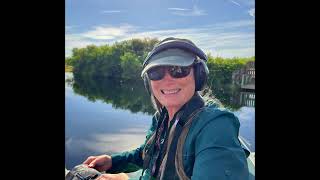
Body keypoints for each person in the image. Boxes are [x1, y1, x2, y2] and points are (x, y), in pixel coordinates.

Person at [82, 37, 250, 180]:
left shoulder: (216, 126)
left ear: (199, 76)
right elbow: (149, 153)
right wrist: (113, 161)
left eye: (178, 70)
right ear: (149, 83)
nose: (167, 80)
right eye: (156, 73)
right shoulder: (161, 117)